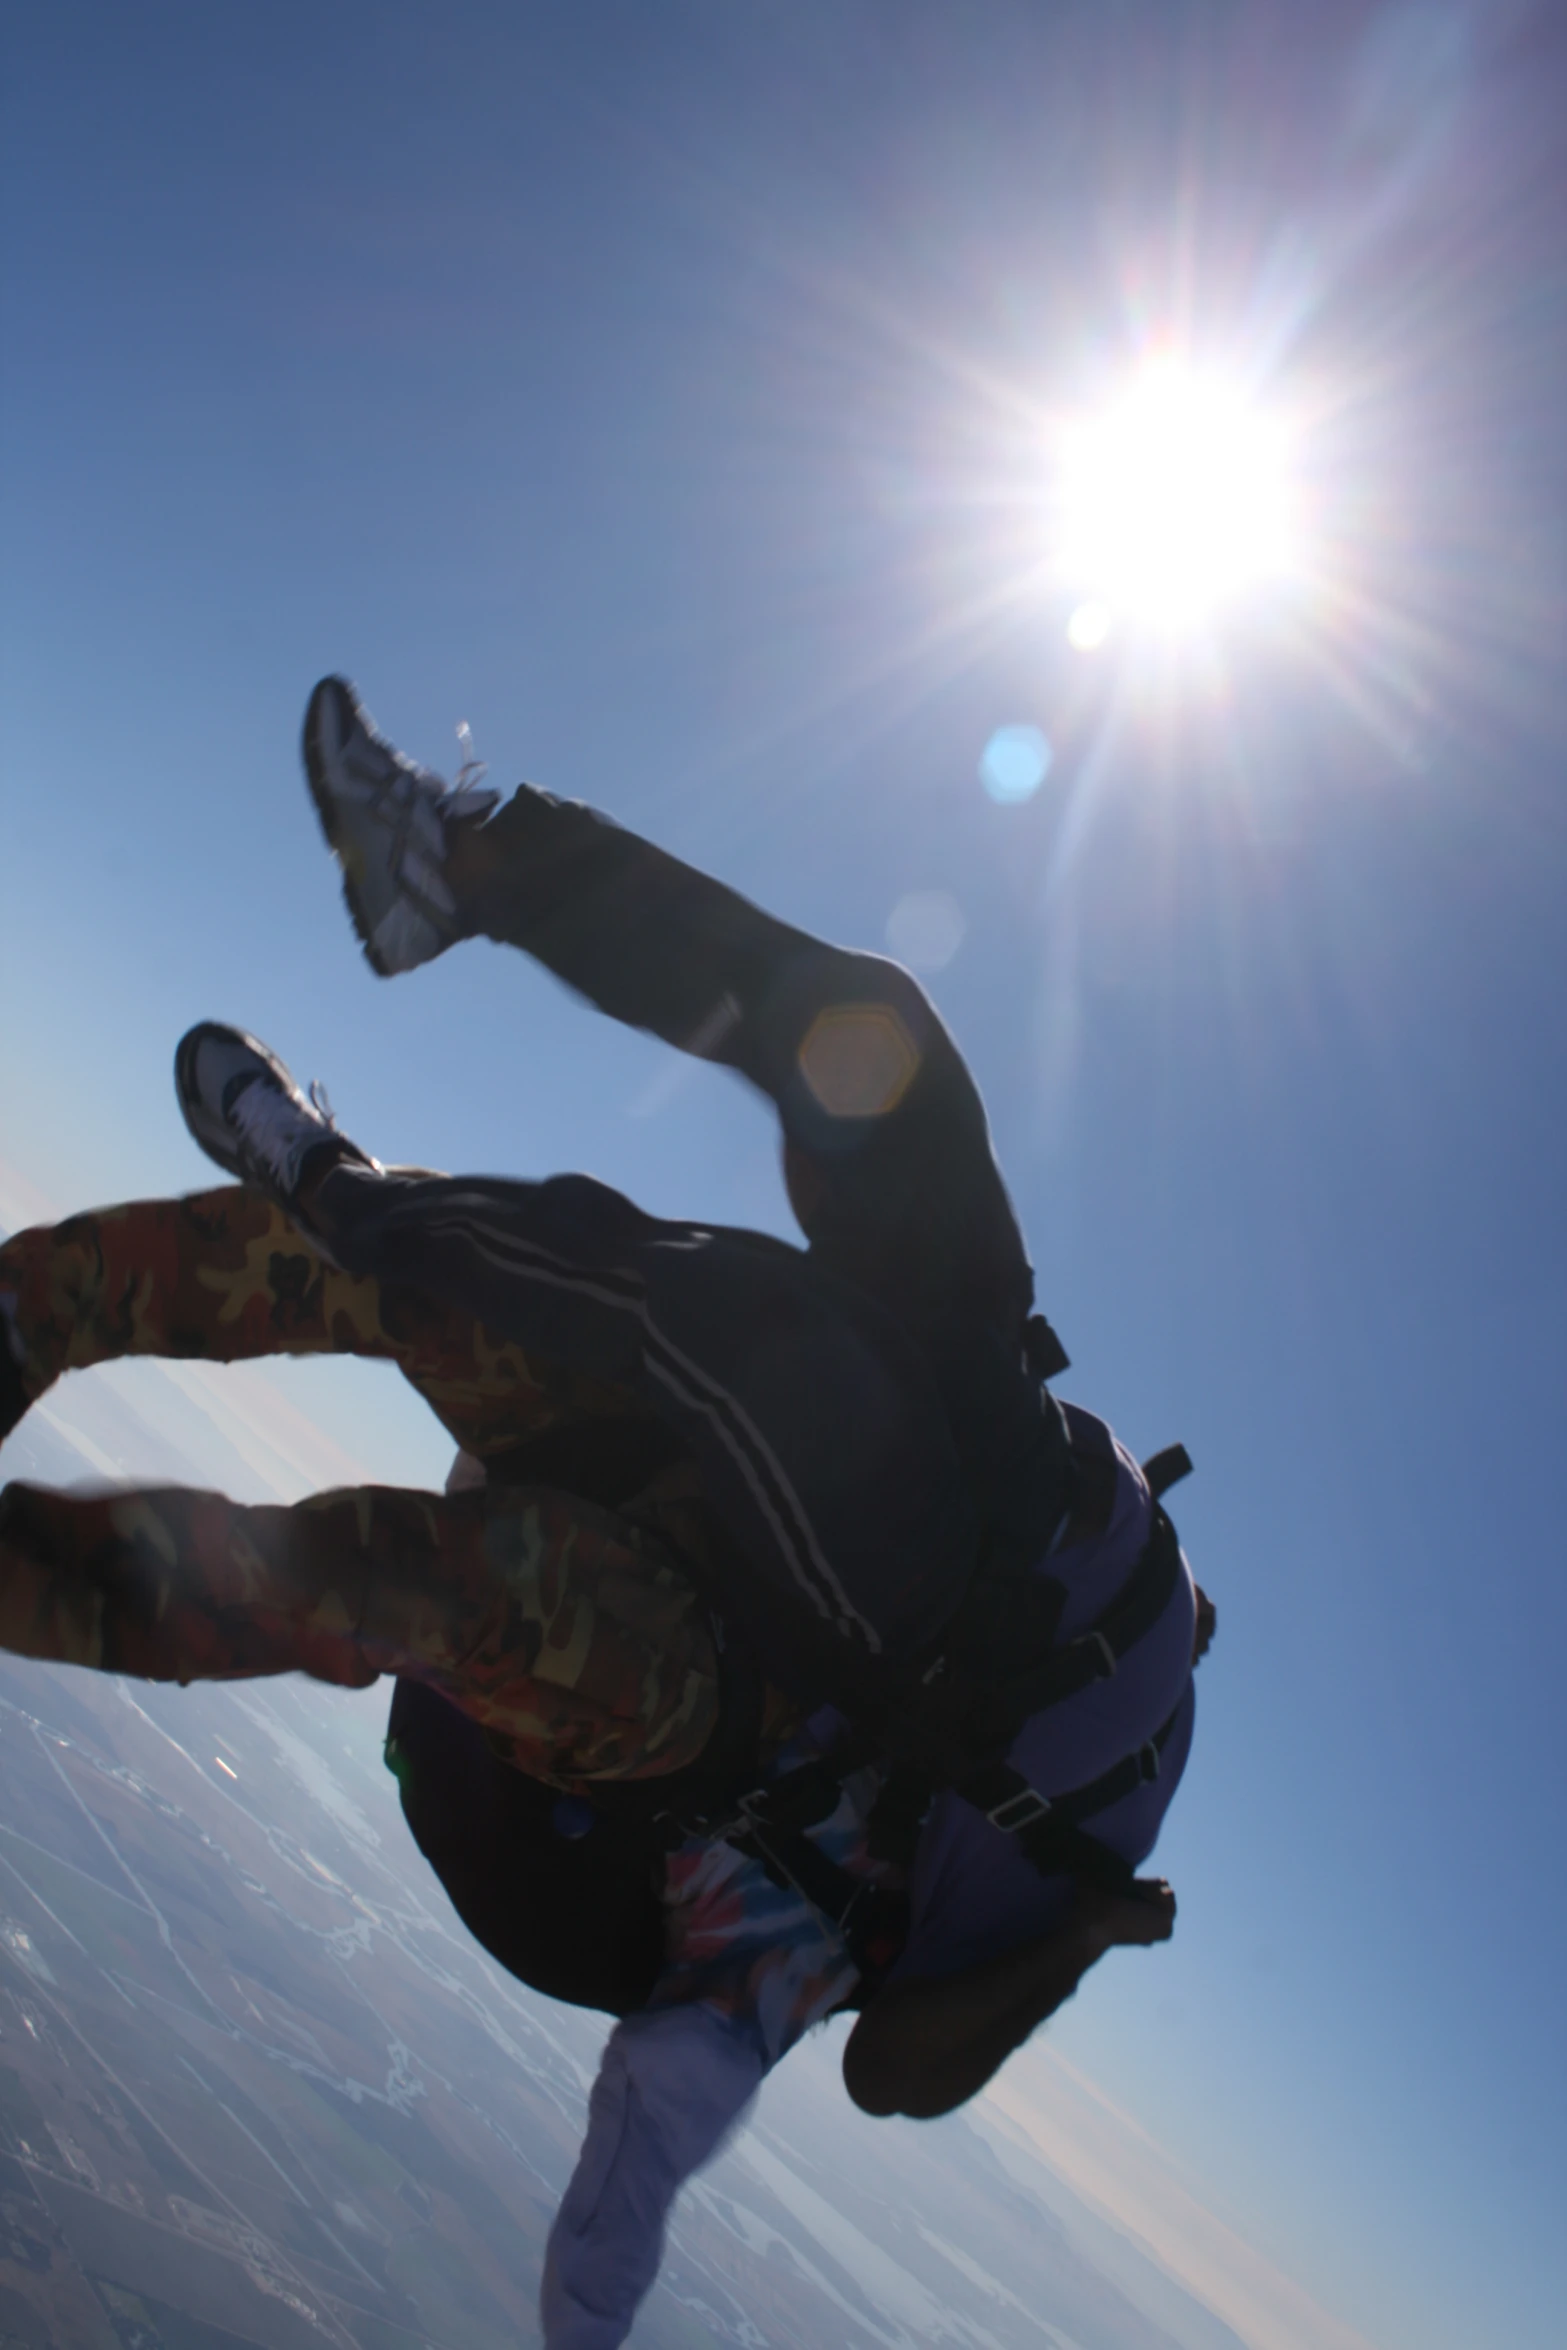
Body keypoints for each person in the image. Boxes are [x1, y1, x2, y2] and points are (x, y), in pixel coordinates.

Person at [0, 675, 1212, 2346]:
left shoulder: (814, 1940)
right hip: (845, 1470)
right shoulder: (1092, 1620)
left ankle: (338, 1205)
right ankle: (452, 885)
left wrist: (1074, 1933)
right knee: (866, 1059)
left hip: (729, 1707)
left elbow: (871, 2081)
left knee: (412, 1553)